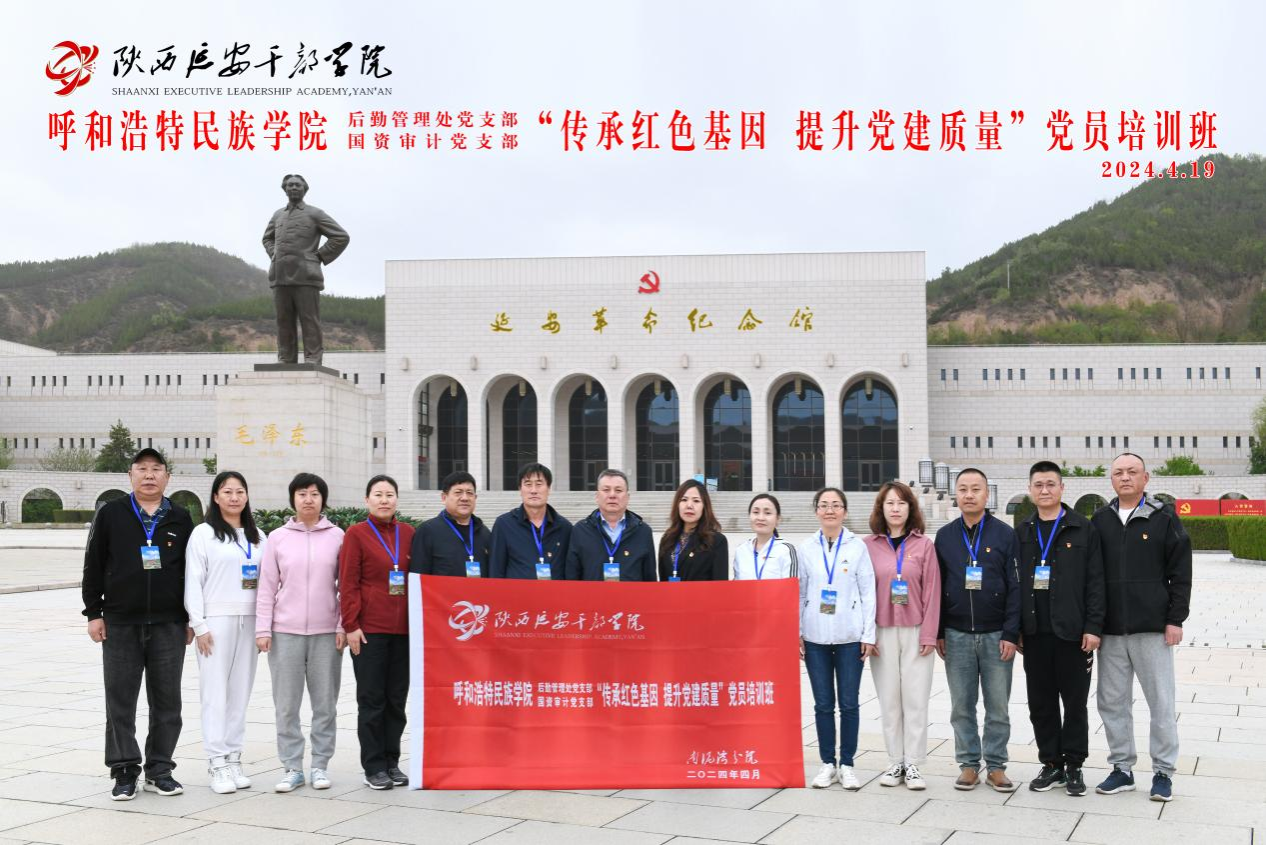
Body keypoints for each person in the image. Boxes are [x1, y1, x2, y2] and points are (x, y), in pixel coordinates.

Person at [82, 448, 195, 801]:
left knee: (167, 702)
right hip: (120, 622)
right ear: (130, 475)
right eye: (142, 469)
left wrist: (191, 618)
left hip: (168, 623)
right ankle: (124, 770)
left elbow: (192, 573)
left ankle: (160, 770)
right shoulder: (112, 513)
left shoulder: (180, 517)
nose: (149, 475)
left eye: (156, 469)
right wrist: (94, 612)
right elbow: (93, 563)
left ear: (167, 477)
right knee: (120, 700)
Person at [1090, 453, 1191, 802]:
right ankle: (1122, 768)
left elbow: (1181, 572)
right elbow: (1092, 576)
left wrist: (1175, 618)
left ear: (1145, 478)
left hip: (1152, 629)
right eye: (1118, 472)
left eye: (1132, 471)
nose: (1125, 477)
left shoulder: (1164, 517)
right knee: (1112, 702)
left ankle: (1163, 771)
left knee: (1161, 701)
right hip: (1111, 631)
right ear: (1111, 480)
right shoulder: (1099, 520)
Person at [1017, 461, 1105, 798]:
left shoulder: (1083, 528)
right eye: (1038, 485)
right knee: (1041, 704)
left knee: (1075, 704)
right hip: (1035, 633)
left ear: (1062, 488)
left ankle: (1074, 764)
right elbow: (1014, 583)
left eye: (1050, 484)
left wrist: (1093, 627)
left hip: (1073, 633)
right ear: (1030, 490)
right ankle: (1051, 763)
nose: (1045, 490)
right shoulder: (1023, 531)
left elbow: (1096, 582)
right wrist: (1017, 628)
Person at [256, 472, 346, 793]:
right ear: (293, 498)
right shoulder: (278, 538)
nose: (308, 499)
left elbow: (345, 586)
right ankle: (292, 767)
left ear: (323, 499)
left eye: (315, 494)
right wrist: (263, 628)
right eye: (302, 494)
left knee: (325, 704)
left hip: (326, 633)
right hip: (285, 632)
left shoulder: (338, 536)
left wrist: (342, 625)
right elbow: (267, 586)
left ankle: (320, 765)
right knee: (286, 704)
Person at [934, 467, 1021, 792]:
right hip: (956, 634)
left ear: (986, 494)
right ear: (956, 494)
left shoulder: (1004, 534)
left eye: (975, 489)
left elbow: (1016, 587)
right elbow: (937, 588)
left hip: (996, 635)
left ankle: (996, 766)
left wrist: (1011, 633)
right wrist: (939, 631)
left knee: (998, 707)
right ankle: (969, 764)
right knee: (961, 706)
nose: (969, 495)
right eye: (963, 489)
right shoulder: (945, 536)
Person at [184, 471, 264, 795]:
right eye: (227, 491)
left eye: (240, 491)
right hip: (215, 622)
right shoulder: (203, 534)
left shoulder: (258, 537)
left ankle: (233, 757)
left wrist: (265, 625)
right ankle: (216, 761)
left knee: (240, 693)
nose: (234, 497)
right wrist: (199, 624)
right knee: (215, 693)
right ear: (216, 497)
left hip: (251, 621)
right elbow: (193, 580)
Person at [863, 481, 940, 791]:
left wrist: (929, 634)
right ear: (881, 509)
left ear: (911, 508)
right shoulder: (868, 546)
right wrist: (867, 634)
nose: (895, 509)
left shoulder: (924, 546)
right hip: (881, 632)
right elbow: (863, 592)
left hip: (916, 630)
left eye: (901, 503)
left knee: (915, 699)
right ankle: (895, 761)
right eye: (890, 503)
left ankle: (914, 763)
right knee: (889, 699)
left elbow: (932, 592)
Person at [798, 487, 876, 791]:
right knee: (822, 704)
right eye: (824, 505)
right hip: (815, 637)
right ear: (816, 510)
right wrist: (797, 631)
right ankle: (828, 763)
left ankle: (847, 764)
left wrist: (868, 634)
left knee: (849, 703)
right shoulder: (806, 548)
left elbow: (868, 592)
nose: (829, 510)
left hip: (849, 637)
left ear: (844, 510)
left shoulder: (857, 547)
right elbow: (800, 592)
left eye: (835, 505)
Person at [340, 475, 415, 791]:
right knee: (372, 700)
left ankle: (391, 761)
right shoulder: (356, 534)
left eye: (389, 494)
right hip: (369, 631)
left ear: (397, 499)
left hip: (405, 631)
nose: (384, 500)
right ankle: (373, 766)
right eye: (378, 494)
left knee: (396, 700)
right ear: (367, 500)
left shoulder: (408, 533)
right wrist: (351, 625)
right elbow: (348, 582)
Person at [261, 173, 350, 366]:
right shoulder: (278, 215)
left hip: (306, 275)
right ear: (285, 189)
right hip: (279, 274)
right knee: (283, 319)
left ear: (304, 189)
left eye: (297, 185)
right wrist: (274, 253)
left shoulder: (315, 213)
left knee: (309, 319)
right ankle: (286, 358)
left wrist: (319, 256)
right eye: (290, 185)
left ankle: (313, 358)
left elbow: (341, 236)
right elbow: (267, 238)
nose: (293, 188)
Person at [564, 469, 656, 581]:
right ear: (597, 496)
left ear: (627, 497)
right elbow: (572, 576)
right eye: (606, 490)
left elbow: (649, 579)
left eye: (618, 490)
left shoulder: (643, 531)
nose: (612, 495)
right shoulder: (581, 530)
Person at [490, 463, 572, 580]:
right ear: (520, 489)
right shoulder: (504, 524)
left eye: (539, 484)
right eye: (528, 484)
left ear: (549, 488)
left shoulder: (564, 527)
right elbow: (496, 570)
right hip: (516, 592)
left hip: (553, 592)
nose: (533, 490)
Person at [410, 471, 493, 577]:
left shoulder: (484, 532)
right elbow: (418, 575)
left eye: (469, 493)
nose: (465, 498)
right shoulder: (428, 531)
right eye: (458, 492)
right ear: (444, 498)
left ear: (475, 498)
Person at [657, 479, 728, 582]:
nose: (689, 505)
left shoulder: (716, 541)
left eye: (696, 501)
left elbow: (720, 585)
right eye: (684, 500)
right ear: (677, 504)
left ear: (704, 506)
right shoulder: (667, 539)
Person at [731, 494, 798, 581]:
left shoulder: (786, 550)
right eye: (756, 512)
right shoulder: (741, 550)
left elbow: (792, 586)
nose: (761, 518)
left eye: (767, 513)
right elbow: (737, 584)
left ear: (778, 519)